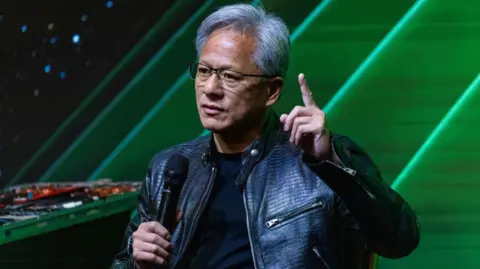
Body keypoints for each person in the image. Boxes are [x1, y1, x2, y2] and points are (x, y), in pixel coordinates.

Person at [111, 3, 419, 269]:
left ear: (271, 90)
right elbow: (124, 262)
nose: (210, 89)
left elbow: (399, 240)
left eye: (230, 76)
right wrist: (139, 263)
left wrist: (332, 165)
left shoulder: (322, 158)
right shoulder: (171, 167)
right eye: (204, 71)